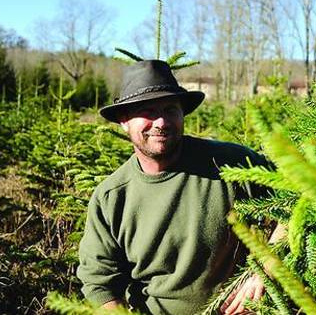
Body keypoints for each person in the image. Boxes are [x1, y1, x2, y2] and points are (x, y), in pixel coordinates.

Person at [77, 60, 281, 315]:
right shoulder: (112, 197)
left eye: (170, 109)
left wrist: (267, 268)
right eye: (148, 111)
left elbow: (299, 197)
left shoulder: (231, 164)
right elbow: (99, 283)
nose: (161, 121)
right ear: (124, 120)